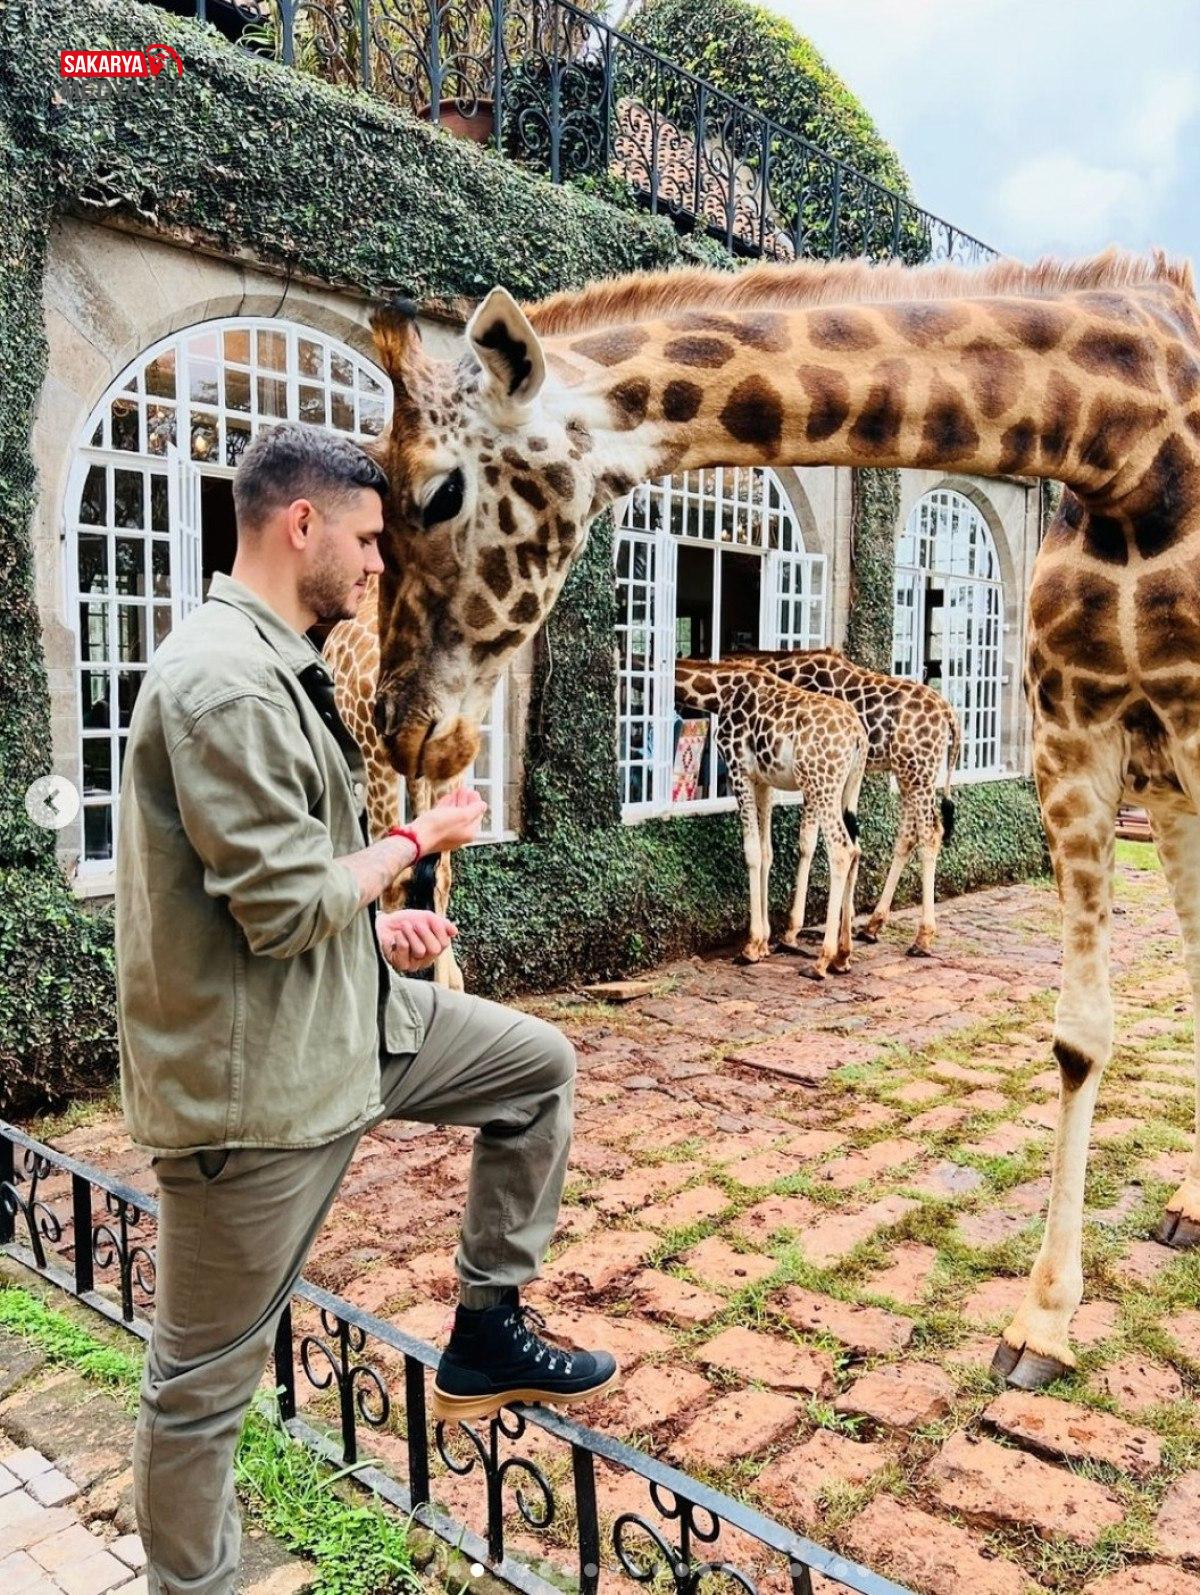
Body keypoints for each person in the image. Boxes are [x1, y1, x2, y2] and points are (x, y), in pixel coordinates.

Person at [115, 420, 617, 1594]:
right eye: (370, 538)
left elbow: (286, 887)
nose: (382, 562)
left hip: (349, 1021)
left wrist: (375, 928)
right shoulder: (224, 684)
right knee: (199, 1390)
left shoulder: (273, 660)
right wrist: (414, 840)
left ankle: (485, 1328)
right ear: (303, 525)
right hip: (257, 1090)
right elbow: (287, 905)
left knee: (534, 1067)